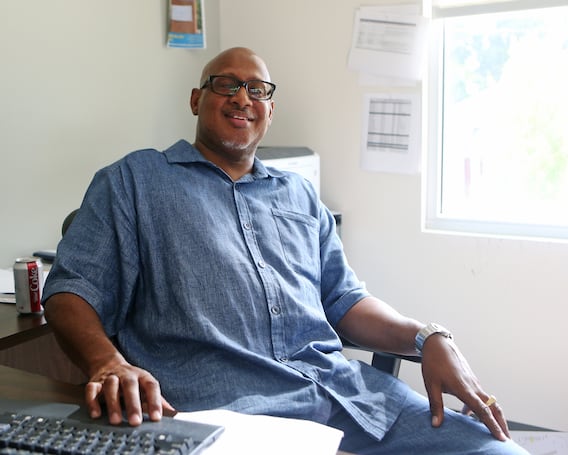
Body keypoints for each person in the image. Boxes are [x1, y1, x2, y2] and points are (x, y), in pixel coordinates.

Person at [42, 47, 528, 455]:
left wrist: (428, 337)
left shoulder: (299, 196)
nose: (242, 97)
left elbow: (346, 301)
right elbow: (71, 290)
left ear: (270, 111)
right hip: (230, 413)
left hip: (346, 396)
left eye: (258, 90)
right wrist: (107, 362)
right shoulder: (133, 182)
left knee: (501, 451)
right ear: (196, 99)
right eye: (225, 84)